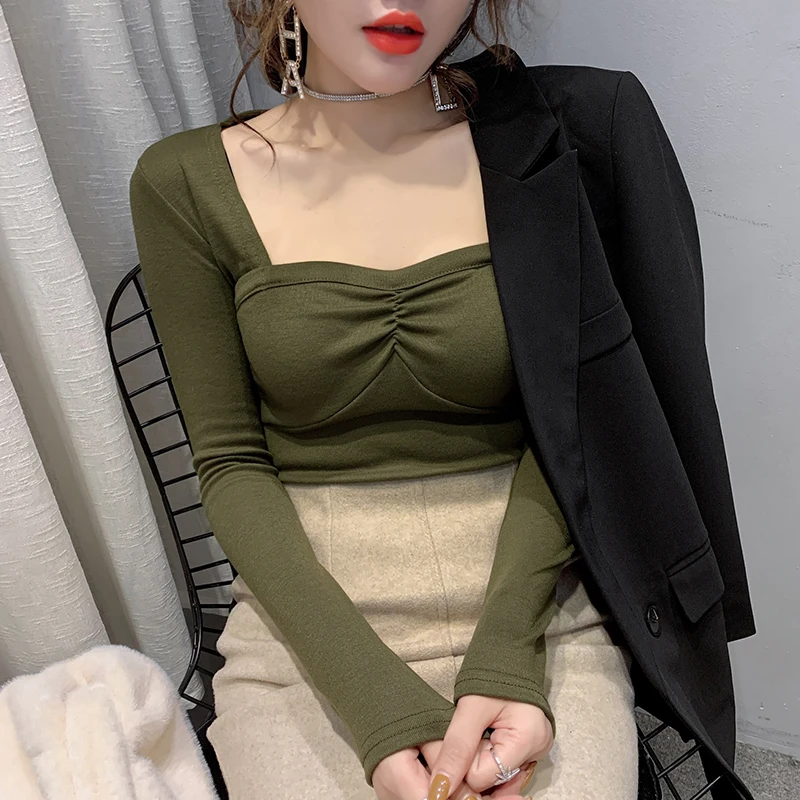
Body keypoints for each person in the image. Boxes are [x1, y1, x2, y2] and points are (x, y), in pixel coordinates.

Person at [128, 1, 757, 799]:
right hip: (312, 619)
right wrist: (374, 703)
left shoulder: (562, 139)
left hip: (536, 590)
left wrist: (507, 656)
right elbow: (230, 462)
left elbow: (588, 419)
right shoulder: (183, 181)